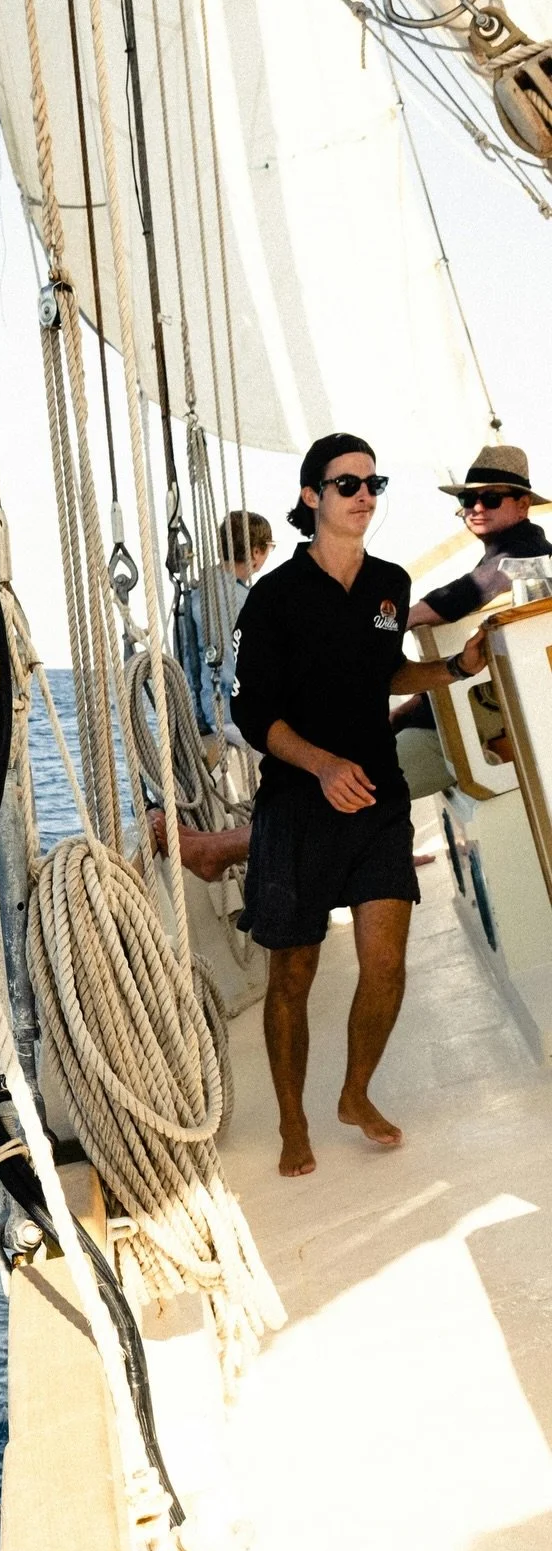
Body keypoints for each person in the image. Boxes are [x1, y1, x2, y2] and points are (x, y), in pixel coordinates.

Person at [230, 432, 488, 1179]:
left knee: (386, 963)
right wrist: (320, 764)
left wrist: (454, 669)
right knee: (294, 975)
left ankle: (353, 1093)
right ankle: (290, 1121)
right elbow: (256, 717)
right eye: (348, 484)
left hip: (377, 799)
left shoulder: (390, 582)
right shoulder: (273, 597)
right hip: (298, 805)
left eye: (374, 482)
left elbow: (390, 670)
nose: (365, 494)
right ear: (312, 498)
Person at [406, 443, 550, 630]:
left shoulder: (528, 552)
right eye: (468, 499)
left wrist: (401, 619)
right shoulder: (511, 551)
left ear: (522, 505)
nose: (477, 508)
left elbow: (470, 590)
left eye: (492, 499)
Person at [186, 511, 274, 741]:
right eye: (269, 547)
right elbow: (236, 666)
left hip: (209, 713)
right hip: (234, 717)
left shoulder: (198, 592)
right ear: (256, 551)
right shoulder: (240, 601)